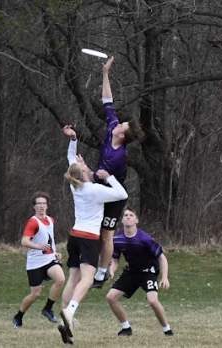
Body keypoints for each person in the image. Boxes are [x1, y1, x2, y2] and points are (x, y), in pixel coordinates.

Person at [58, 125, 128, 344]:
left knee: (73, 278)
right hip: (88, 238)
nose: (88, 168)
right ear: (85, 175)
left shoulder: (75, 185)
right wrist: (109, 177)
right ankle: (69, 312)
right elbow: (121, 194)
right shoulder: (94, 190)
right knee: (87, 279)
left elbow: (71, 158)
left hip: (73, 236)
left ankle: (64, 319)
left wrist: (73, 139)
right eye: (86, 168)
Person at [91, 56, 145, 289]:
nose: (120, 123)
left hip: (115, 193)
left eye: (123, 125)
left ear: (122, 135)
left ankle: (102, 273)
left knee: (107, 234)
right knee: (92, 228)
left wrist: (82, 172)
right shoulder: (113, 126)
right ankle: (90, 264)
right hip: (101, 185)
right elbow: (107, 101)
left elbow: (97, 177)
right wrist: (105, 73)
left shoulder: (117, 156)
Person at [106, 207, 174, 337]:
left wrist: (164, 277)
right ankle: (126, 328)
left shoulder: (144, 239)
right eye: (125, 215)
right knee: (111, 297)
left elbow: (162, 258)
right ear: (122, 220)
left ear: (136, 220)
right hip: (131, 272)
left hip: (148, 271)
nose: (128, 217)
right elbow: (115, 261)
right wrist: (112, 271)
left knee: (153, 301)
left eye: (131, 215)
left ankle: (167, 330)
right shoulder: (117, 239)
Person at [13, 192, 65, 328]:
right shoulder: (33, 222)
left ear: (47, 206)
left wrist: (55, 252)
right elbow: (24, 241)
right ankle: (19, 316)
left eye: (44, 203)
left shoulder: (50, 220)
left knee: (60, 279)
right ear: (34, 207)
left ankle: (47, 309)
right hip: (35, 263)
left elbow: (49, 238)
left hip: (49, 259)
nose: (41, 206)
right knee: (36, 293)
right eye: (38, 203)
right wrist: (38, 246)